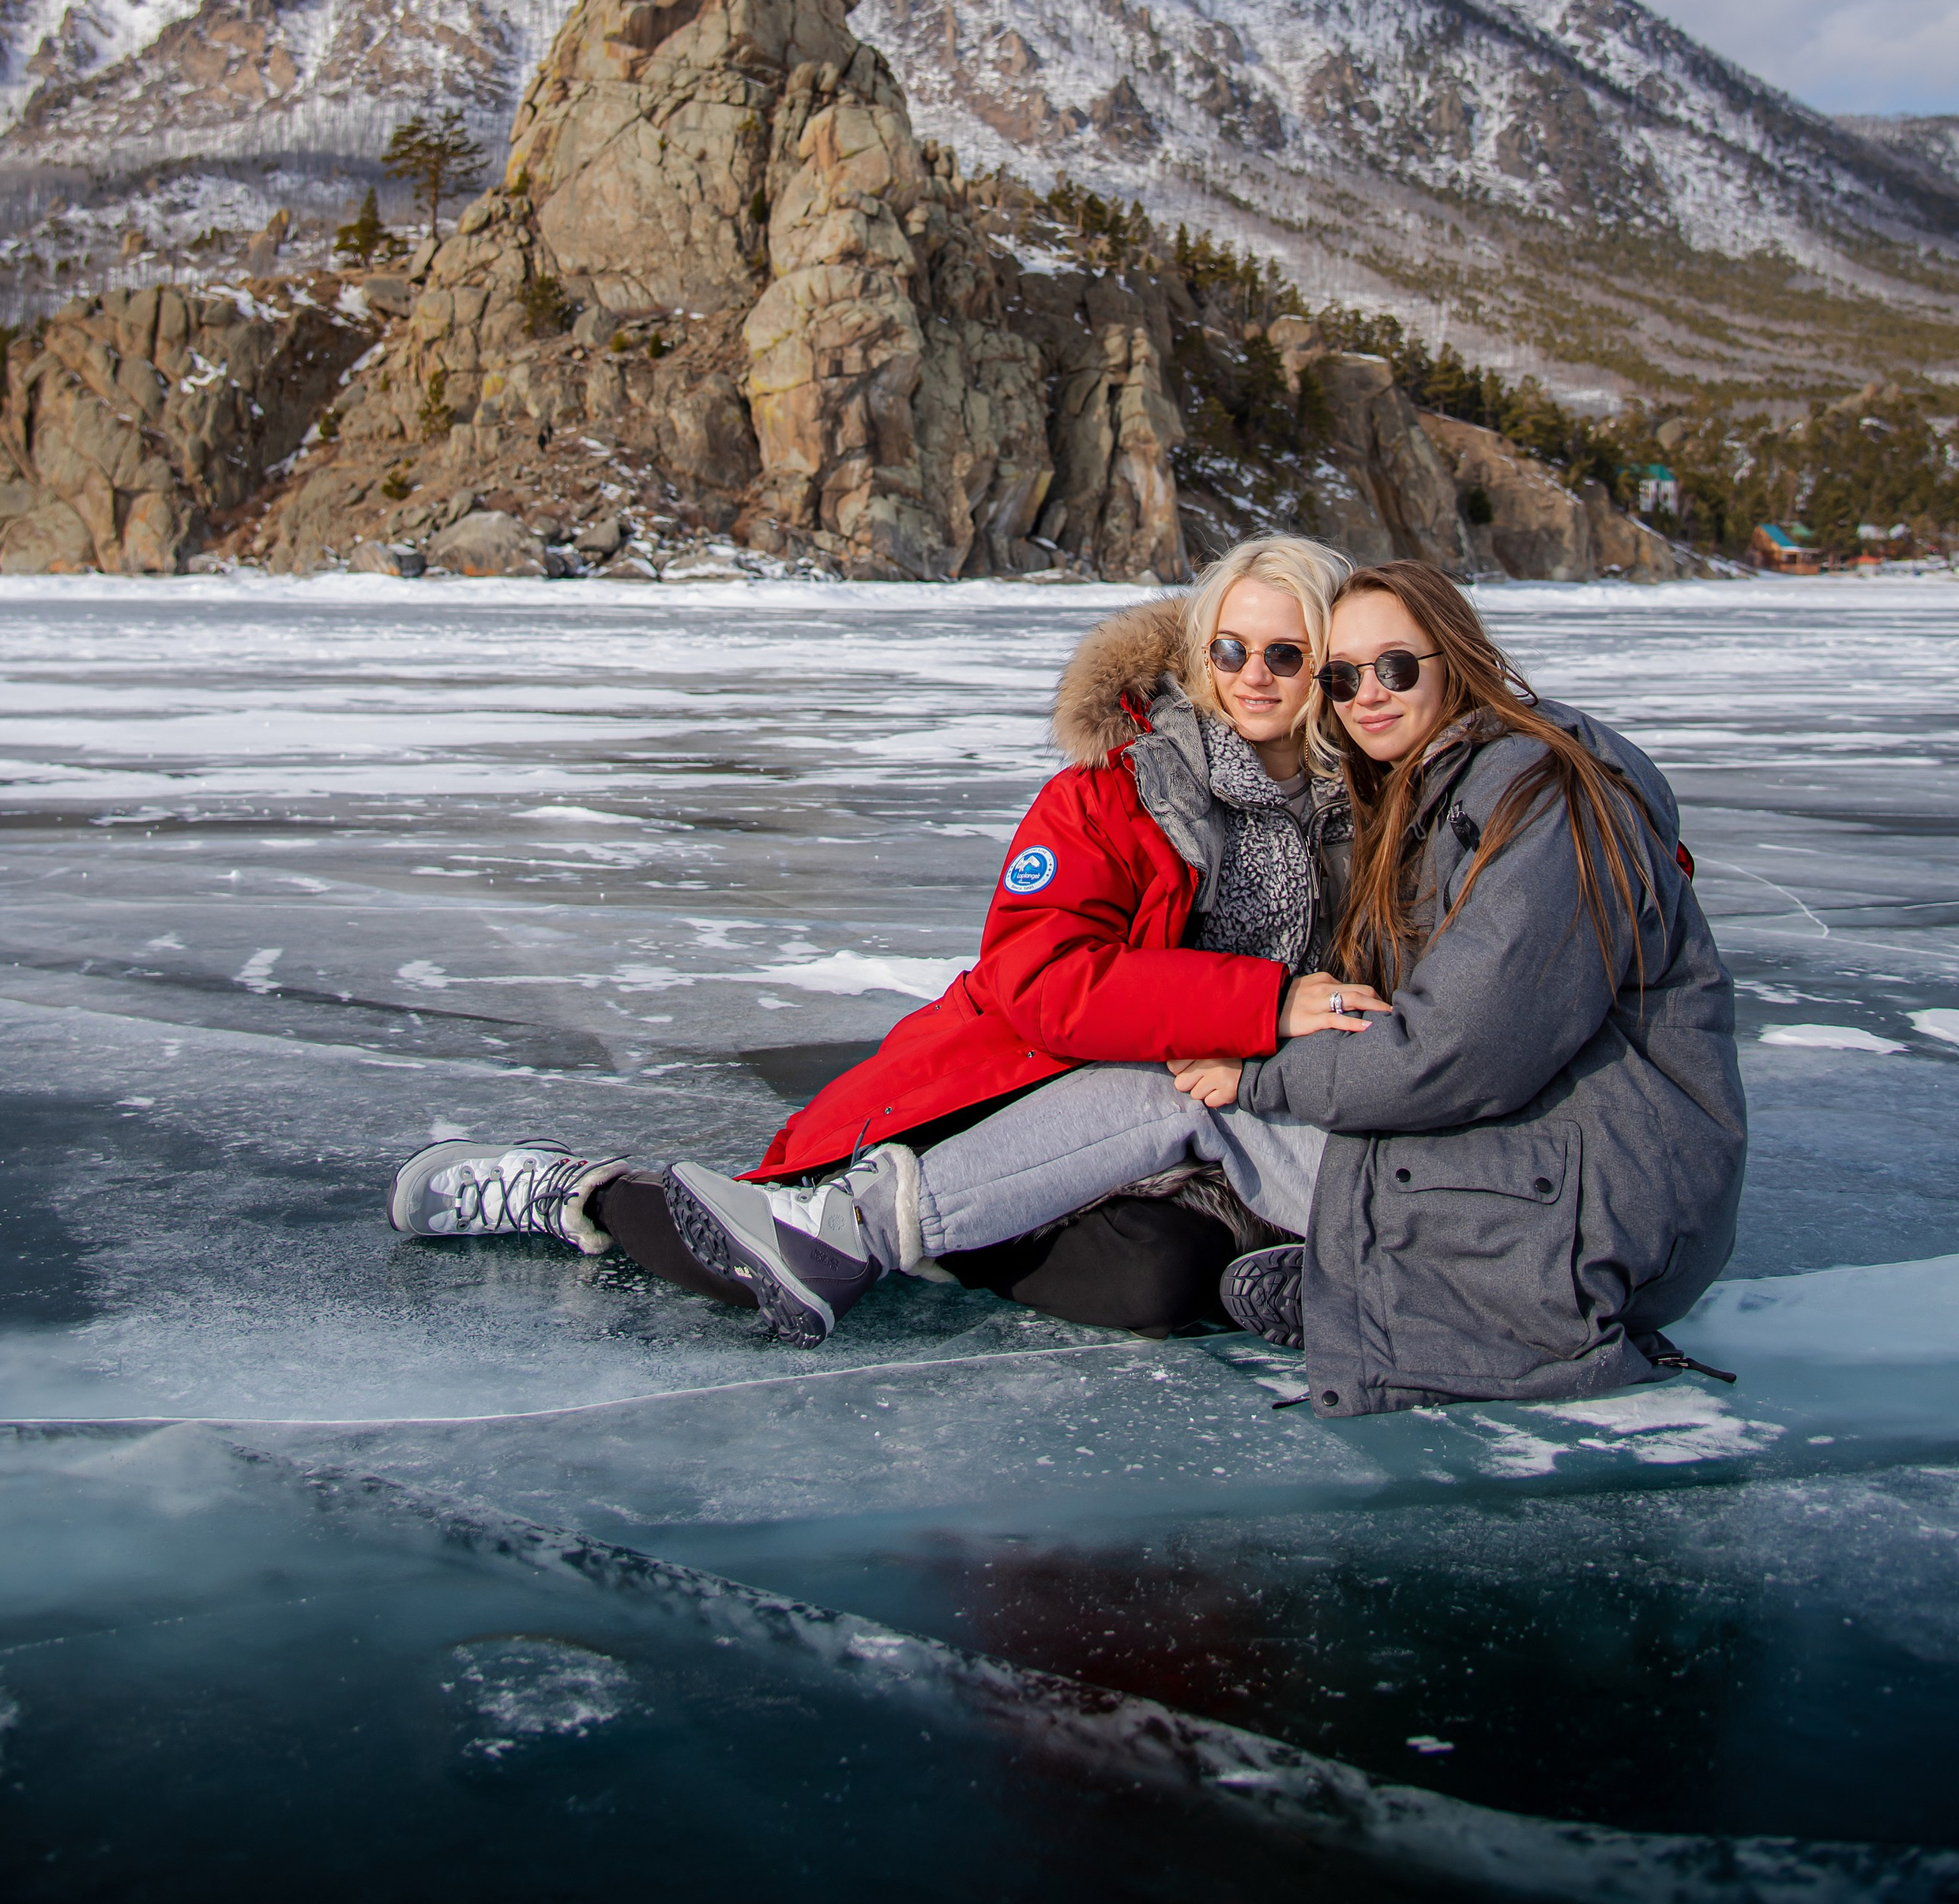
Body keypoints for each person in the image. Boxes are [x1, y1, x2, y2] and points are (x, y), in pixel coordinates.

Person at [736, 558, 1746, 1414]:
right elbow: (1040, 978)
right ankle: (1356, 1265)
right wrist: (1259, 1018)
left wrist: (1251, 1067)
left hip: (1577, 1206)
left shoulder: (1522, 796)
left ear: (1462, 660)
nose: (1360, 693)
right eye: (1342, 674)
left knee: (1173, 1130)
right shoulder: (1211, 790)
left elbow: (1452, 1051)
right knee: (1163, 1224)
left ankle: (855, 1229)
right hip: (1536, 1165)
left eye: (1371, 666)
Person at [388, 533, 1380, 1334]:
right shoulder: (1114, 792)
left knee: (1167, 1284)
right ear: (1203, 653)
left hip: (1214, 1122)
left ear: (1326, 665)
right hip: (1019, 1087)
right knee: (770, 1265)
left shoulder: (1370, 813)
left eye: (1284, 655)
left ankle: (962, 1233)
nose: (1253, 675)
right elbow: (1041, 980)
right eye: (1230, 649)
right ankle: (582, 1190)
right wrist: (1261, 1005)